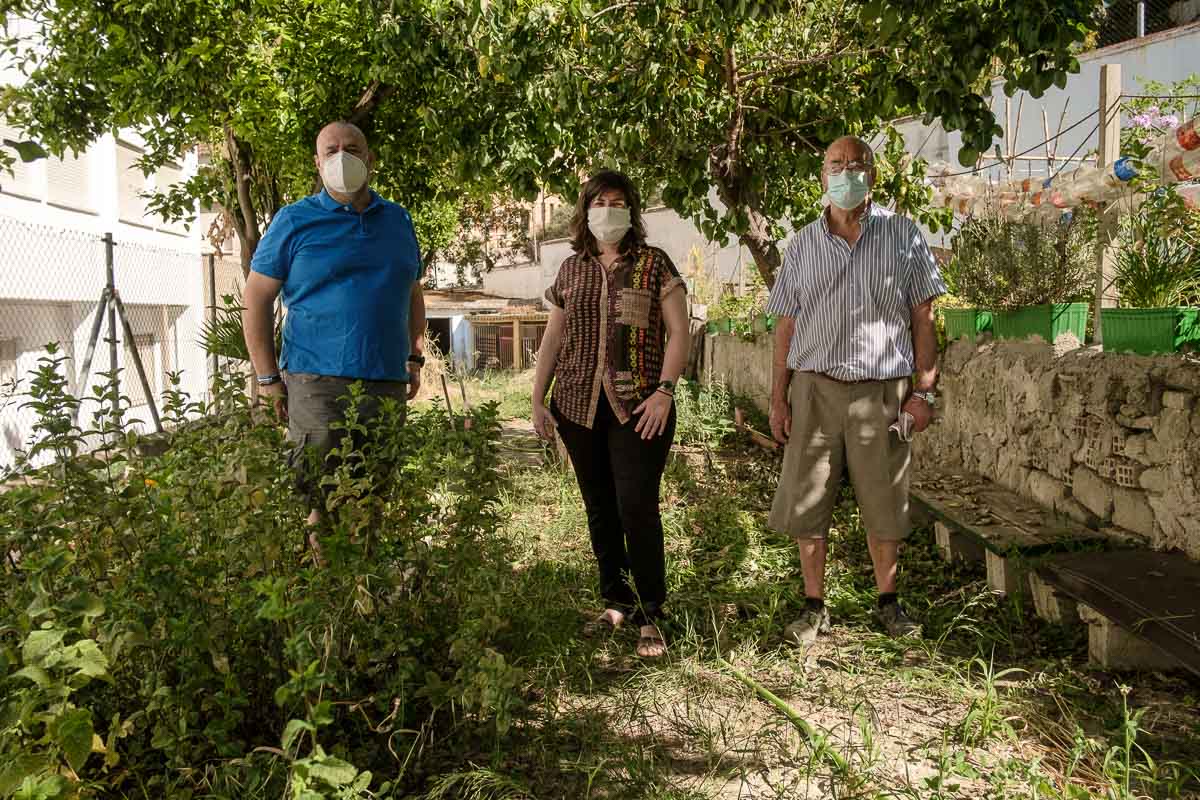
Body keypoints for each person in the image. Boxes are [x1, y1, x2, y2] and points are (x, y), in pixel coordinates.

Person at [766, 135, 944, 645]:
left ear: (872, 174)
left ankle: (889, 603)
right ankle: (813, 606)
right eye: (836, 165)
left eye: (857, 164)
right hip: (815, 390)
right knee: (809, 498)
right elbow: (786, 326)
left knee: (885, 501)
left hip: (882, 391)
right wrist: (779, 397)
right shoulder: (800, 244)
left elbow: (923, 319)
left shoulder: (904, 235)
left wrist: (924, 393)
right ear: (823, 176)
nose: (847, 173)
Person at [242, 121, 426, 562]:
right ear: (318, 162)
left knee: (374, 495)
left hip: (384, 382)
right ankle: (325, 595)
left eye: (353, 148)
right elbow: (257, 297)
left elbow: (412, 293)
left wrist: (414, 357)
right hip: (316, 383)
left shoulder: (398, 220)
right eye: (332, 149)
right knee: (320, 500)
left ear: (370, 159)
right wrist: (267, 377)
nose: (343, 156)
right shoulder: (294, 220)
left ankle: (363, 590)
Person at [531, 170, 690, 659]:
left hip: (640, 408)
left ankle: (651, 612)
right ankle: (616, 600)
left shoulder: (655, 264)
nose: (608, 211)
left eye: (617, 203)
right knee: (599, 506)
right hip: (578, 406)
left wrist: (665, 390)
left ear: (631, 211)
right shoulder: (570, 269)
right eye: (599, 202)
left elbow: (681, 333)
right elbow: (554, 339)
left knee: (636, 506)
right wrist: (538, 398)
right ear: (585, 211)